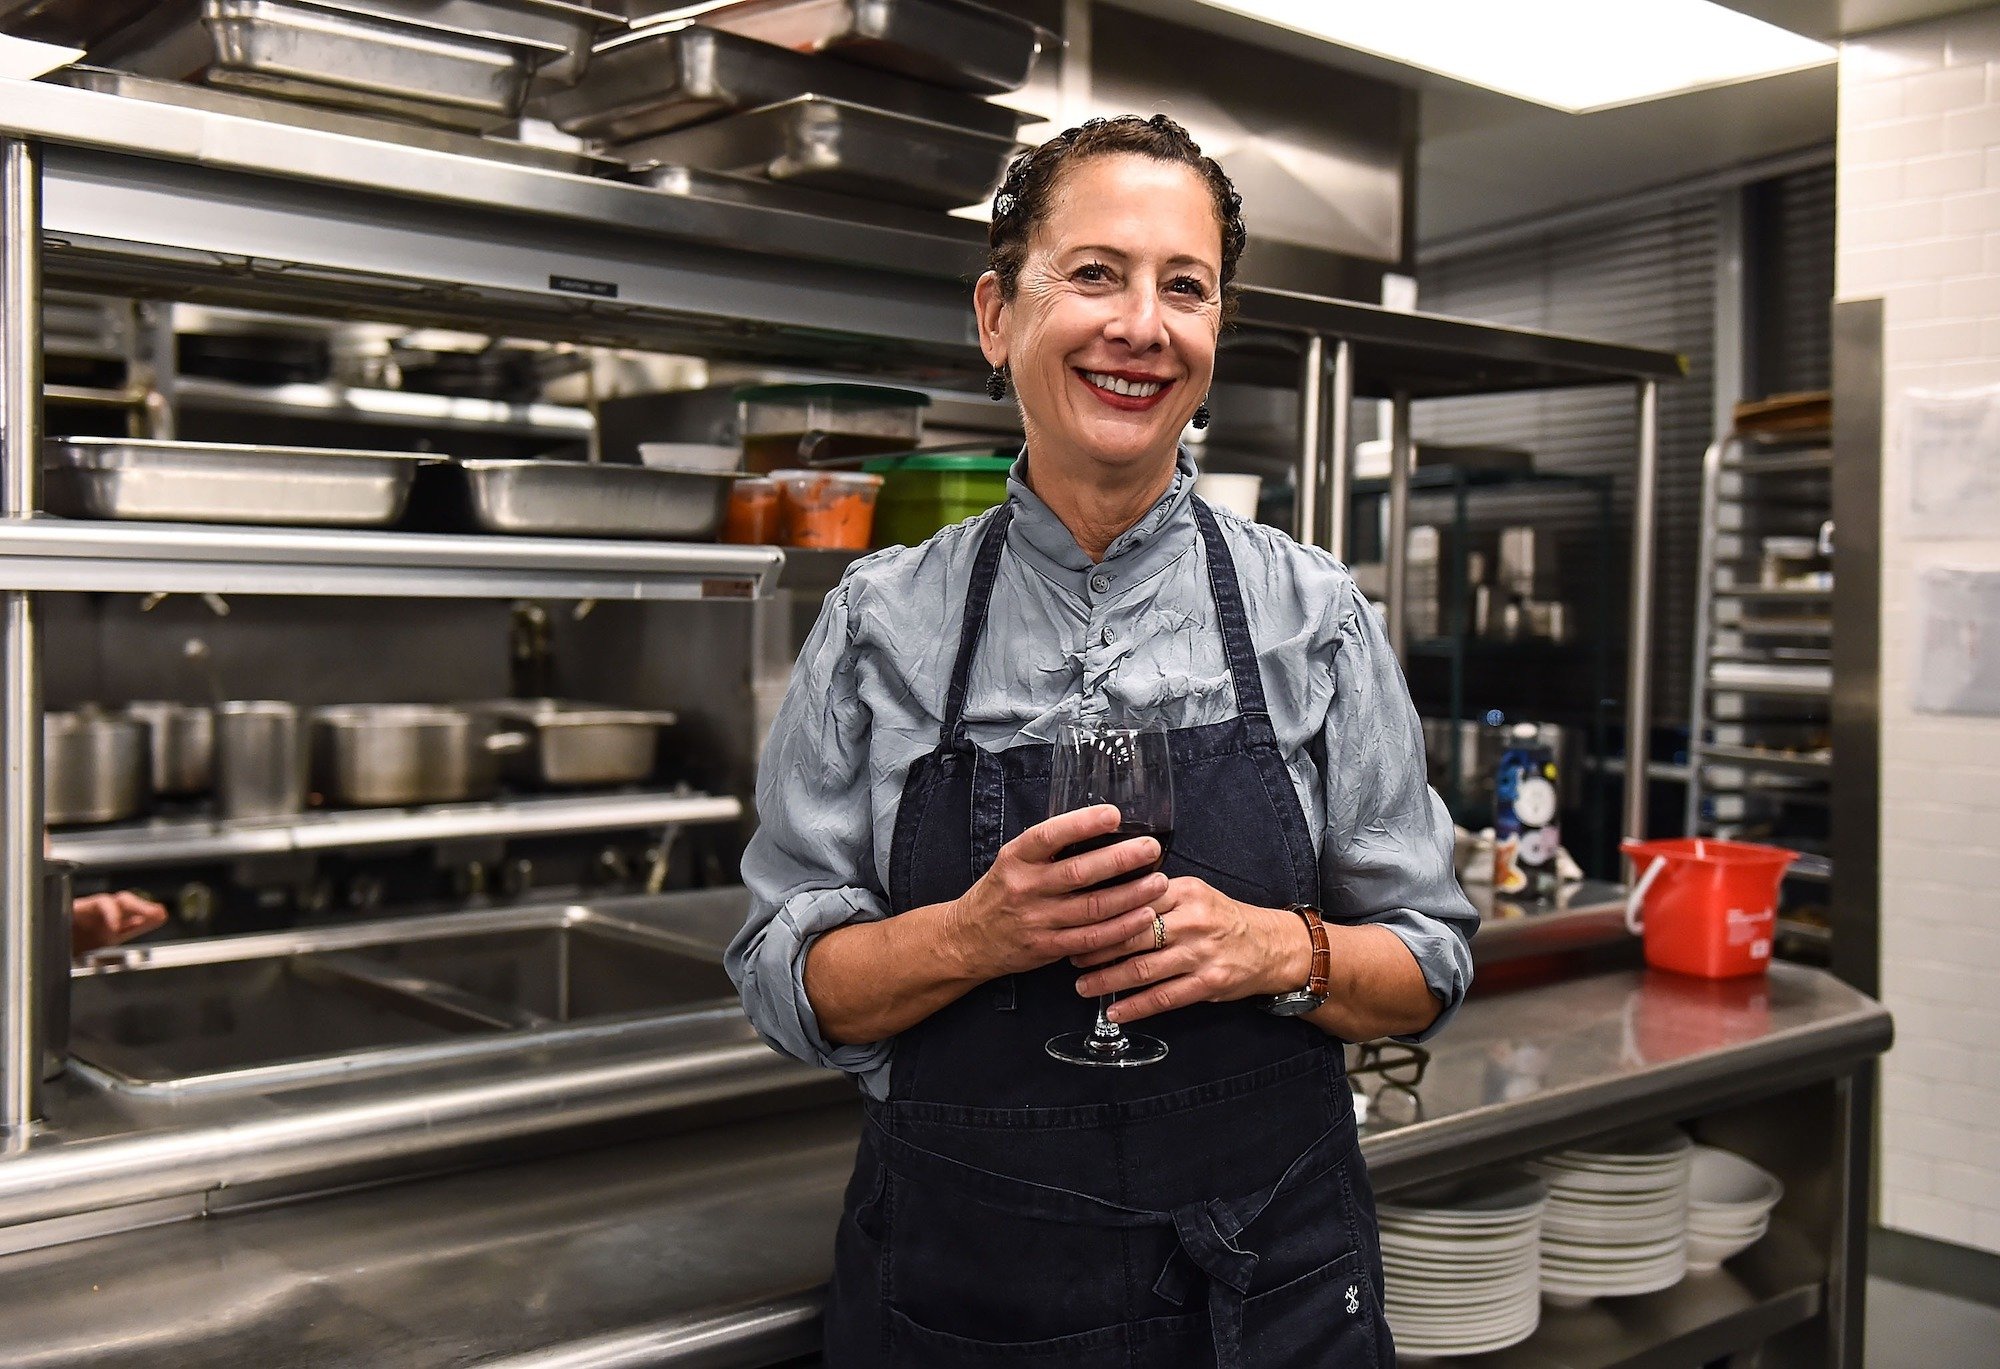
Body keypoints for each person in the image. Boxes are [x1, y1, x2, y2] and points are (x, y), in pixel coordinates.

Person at [730, 114, 1478, 1367]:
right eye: (1092, 274)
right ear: (996, 316)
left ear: (1211, 337)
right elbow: (781, 979)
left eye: (1183, 288)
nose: (1140, 324)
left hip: (1265, 1296)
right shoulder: (877, 620)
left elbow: (1428, 962)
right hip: (966, 1293)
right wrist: (975, 935)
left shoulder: (1315, 617)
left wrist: (1272, 949)